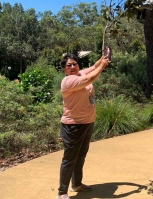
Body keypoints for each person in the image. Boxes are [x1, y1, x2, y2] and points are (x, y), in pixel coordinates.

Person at [56, 54, 110, 199]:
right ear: (64, 69)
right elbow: (90, 79)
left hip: (87, 123)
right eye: (69, 65)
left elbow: (93, 67)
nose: (73, 67)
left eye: (75, 64)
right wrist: (103, 66)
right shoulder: (69, 81)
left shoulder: (80, 72)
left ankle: (77, 184)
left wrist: (102, 58)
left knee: (80, 156)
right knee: (70, 158)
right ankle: (62, 192)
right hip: (73, 125)